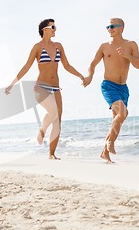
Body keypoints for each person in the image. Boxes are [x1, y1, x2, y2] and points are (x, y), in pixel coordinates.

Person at [5, 18, 87, 160]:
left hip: (55, 88)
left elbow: (67, 66)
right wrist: (12, 84)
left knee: (57, 121)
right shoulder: (37, 47)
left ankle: (51, 154)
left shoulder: (58, 46)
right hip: (41, 87)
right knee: (53, 112)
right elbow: (26, 67)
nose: (55, 29)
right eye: (53, 27)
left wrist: (81, 76)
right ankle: (42, 130)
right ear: (45, 30)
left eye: (55, 27)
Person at [84, 18, 139, 163]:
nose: (109, 29)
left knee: (117, 121)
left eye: (112, 26)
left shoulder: (131, 45)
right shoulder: (104, 46)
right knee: (123, 113)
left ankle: (104, 152)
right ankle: (110, 143)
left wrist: (127, 56)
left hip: (123, 88)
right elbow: (93, 63)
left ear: (121, 28)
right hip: (108, 86)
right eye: (108, 27)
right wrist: (90, 76)